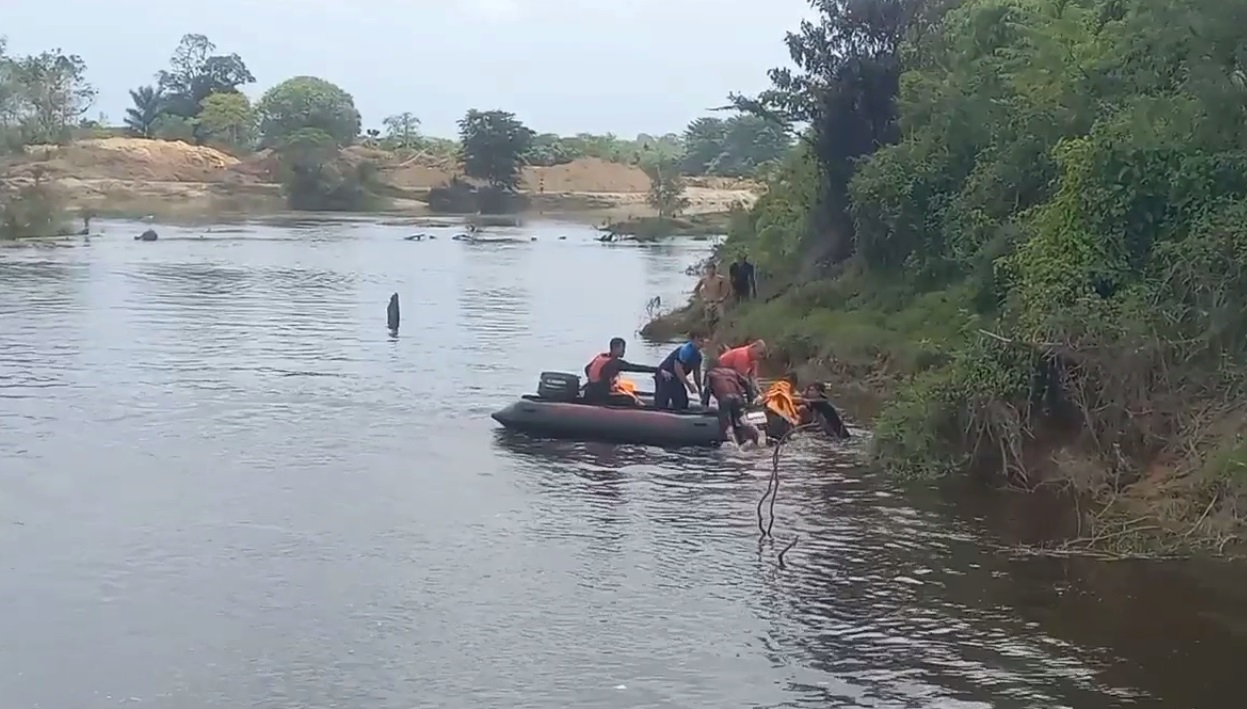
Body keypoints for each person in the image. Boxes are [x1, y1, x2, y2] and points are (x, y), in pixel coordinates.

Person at [584, 337, 659, 406]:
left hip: (590, 392)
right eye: (622, 349)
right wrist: (656, 370)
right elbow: (633, 367)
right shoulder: (614, 363)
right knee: (629, 399)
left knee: (625, 389)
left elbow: (587, 369)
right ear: (616, 348)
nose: (624, 351)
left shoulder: (601, 357)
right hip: (600, 396)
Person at [702, 365, 761, 449]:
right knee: (740, 421)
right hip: (738, 398)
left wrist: (704, 405)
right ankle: (751, 434)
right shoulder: (732, 372)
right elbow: (747, 383)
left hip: (724, 399)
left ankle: (728, 444)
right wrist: (750, 400)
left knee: (726, 424)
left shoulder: (710, 375)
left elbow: (707, 390)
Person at [654, 332, 708, 411]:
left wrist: (700, 390)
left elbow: (697, 374)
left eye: (703, 341)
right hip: (665, 374)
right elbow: (678, 368)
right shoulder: (686, 350)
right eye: (700, 341)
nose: (702, 344)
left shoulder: (698, 356)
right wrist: (688, 384)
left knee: (682, 402)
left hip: (676, 378)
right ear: (693, 340)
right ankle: (658, 412)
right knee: (662, 401)